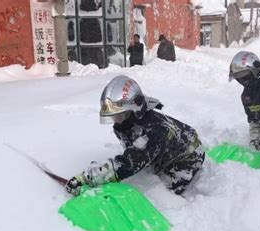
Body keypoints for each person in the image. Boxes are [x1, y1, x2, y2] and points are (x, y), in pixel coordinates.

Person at [65, 75, 205, 196]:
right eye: (113, 116)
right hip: (169, 146)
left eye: (120, 115)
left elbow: (128, 164)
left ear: (134, 109)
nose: (116, 121)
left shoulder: (152, 133)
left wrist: (87, 178)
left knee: (161, 193)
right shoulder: (134, 119)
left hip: (187, 157)